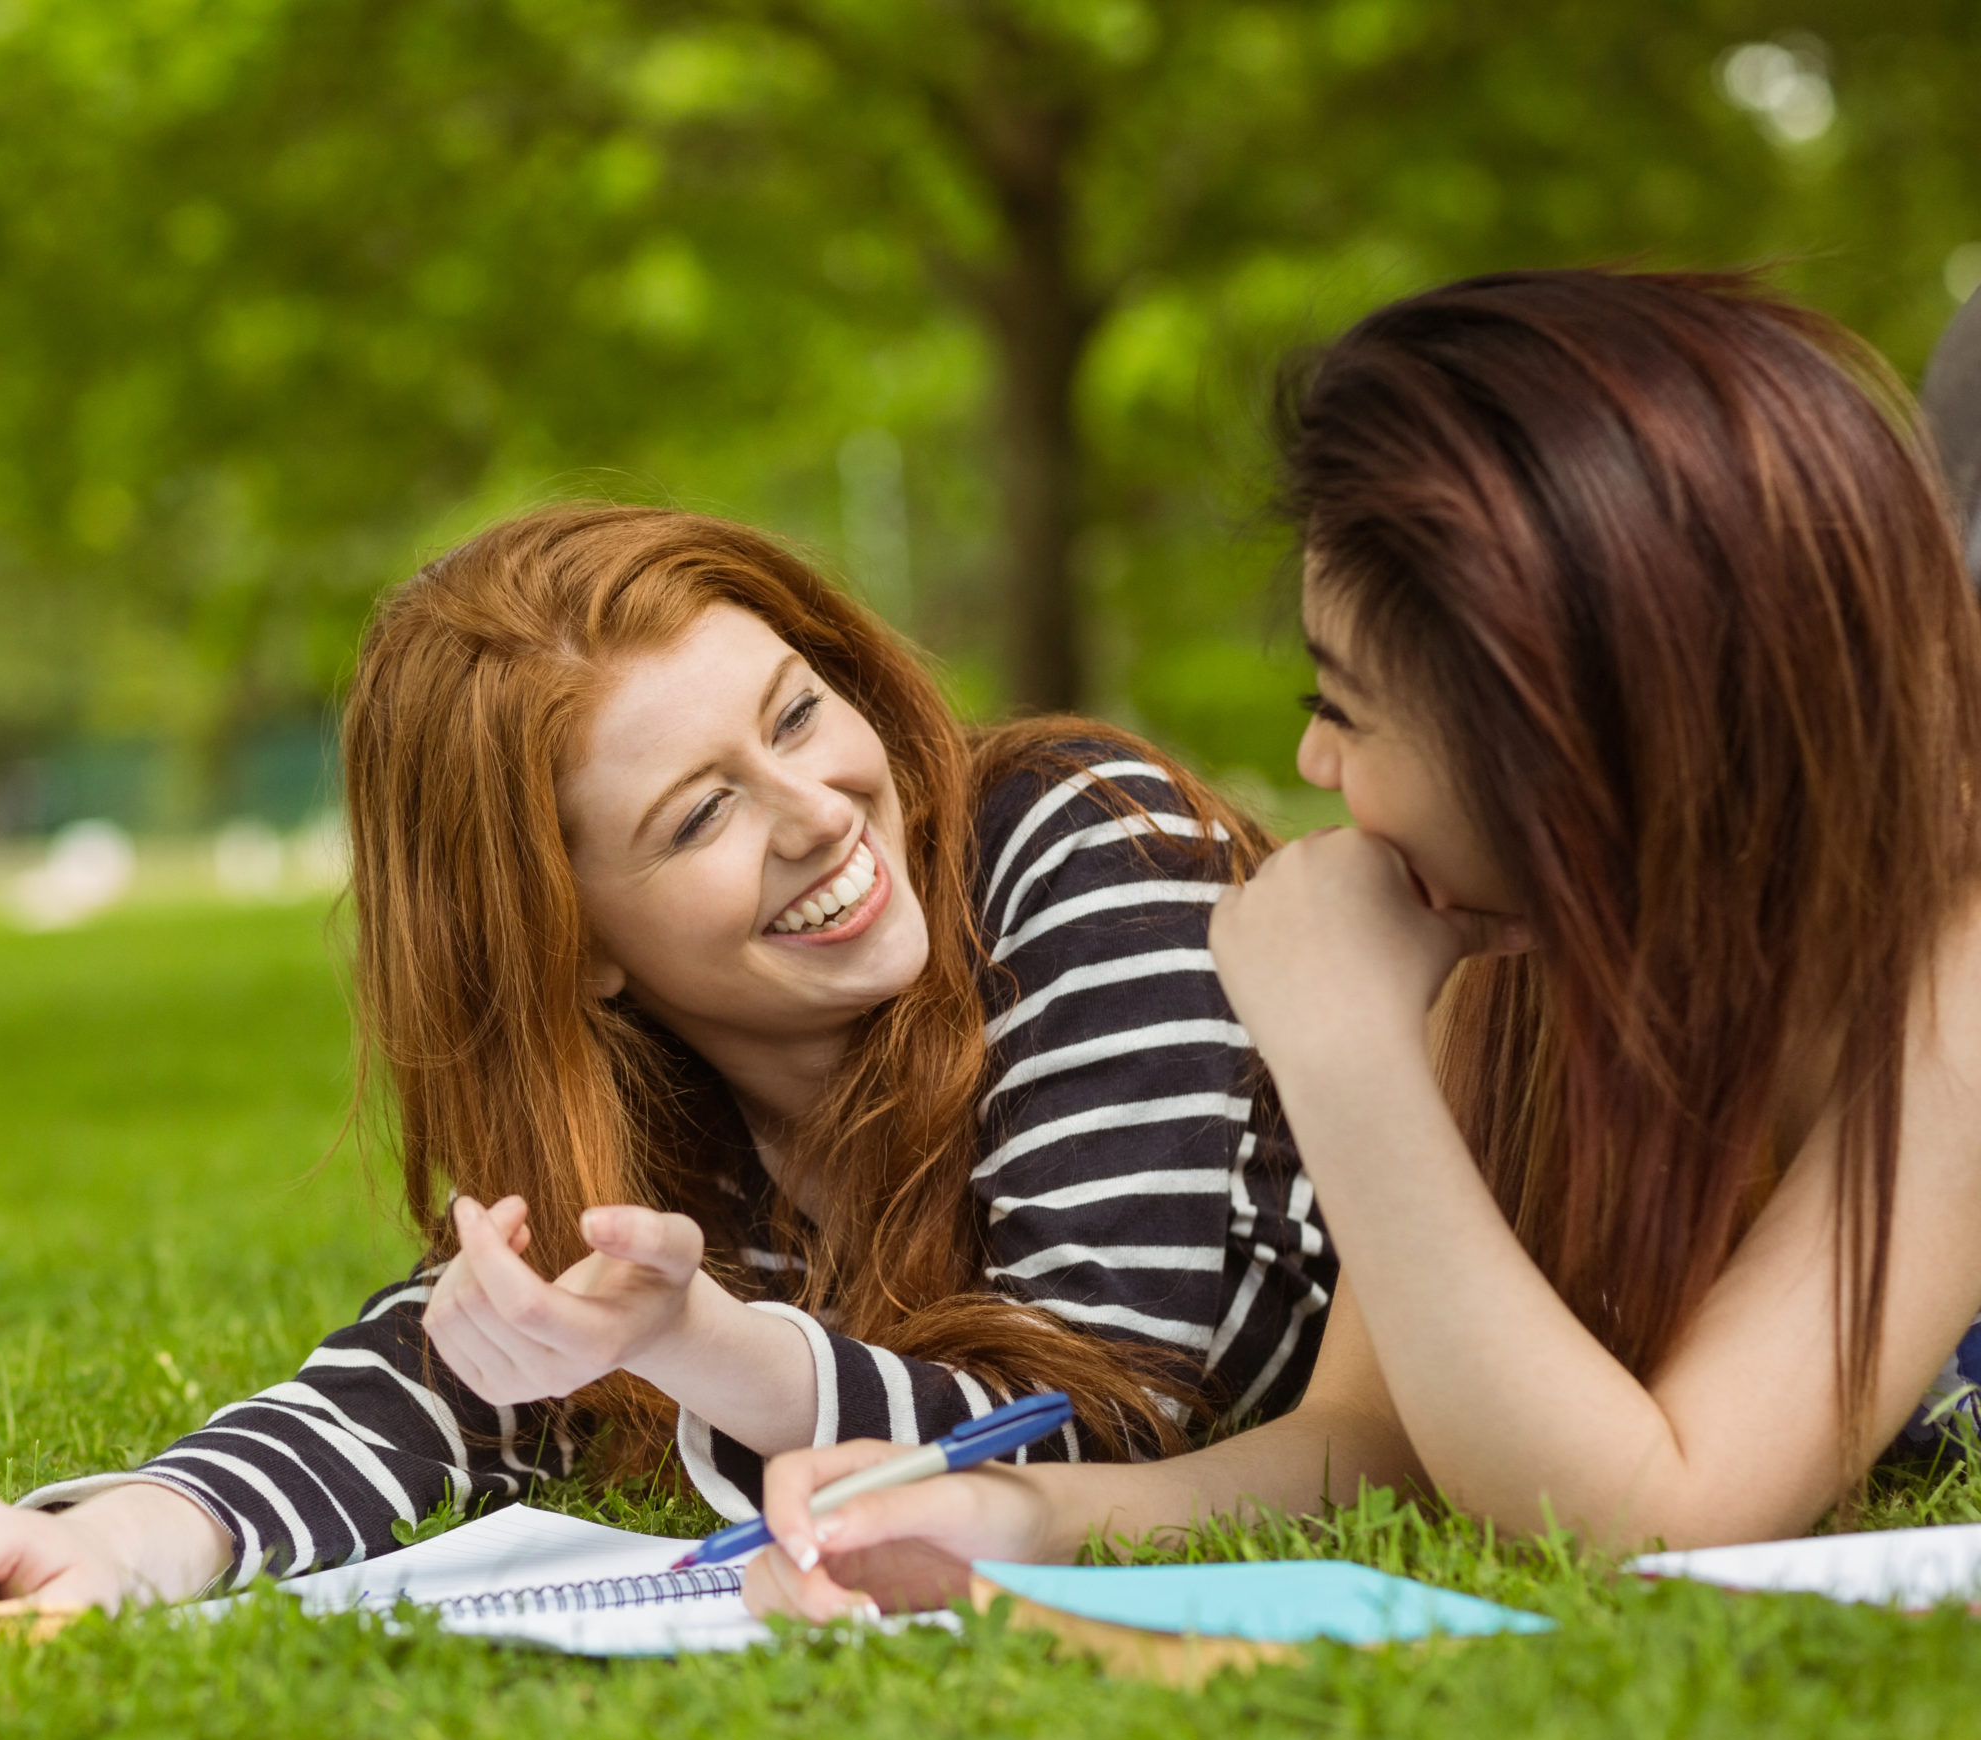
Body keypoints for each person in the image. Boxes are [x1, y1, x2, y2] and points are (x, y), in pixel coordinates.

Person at [744, 269, 1981, 1623]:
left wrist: (1345, 1052)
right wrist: (1019, 1511)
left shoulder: (1953, 971)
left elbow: (1657, 1520)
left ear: (1571, 747)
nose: (1309, 761)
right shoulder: (1521, 952)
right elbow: (1380, 1443)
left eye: (1346, 709)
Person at [0, 503, 1336, 1611]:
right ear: (578, 945)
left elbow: (1118, 1410)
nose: (817, 808)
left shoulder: (1080, 845)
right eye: (698, 816)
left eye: (801, 714)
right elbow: (439, 1379)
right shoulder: (659, 1108)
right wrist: (134, 1532)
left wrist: (701, 1346)